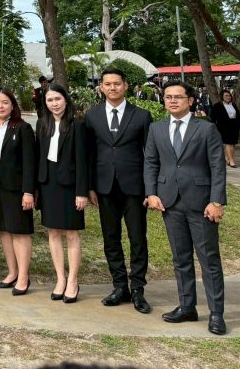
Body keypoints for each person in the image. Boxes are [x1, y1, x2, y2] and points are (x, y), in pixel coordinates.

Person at [145, 80, 228, 335]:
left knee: (209, 259)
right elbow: (151, 162)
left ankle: (216, 314)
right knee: (180, 258)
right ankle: (187, 306)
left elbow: (217, 166)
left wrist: (216, 201)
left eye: (178, 97)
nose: (172, 101)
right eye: (168, 97)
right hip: (169, 202)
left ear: (190, 101)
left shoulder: (206, 129)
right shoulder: (156, 128)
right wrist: (151, 193)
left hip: (202, 203)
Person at [85, 67, 153, 313]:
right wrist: (90, 186)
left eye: (117, 83)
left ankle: (138, 289)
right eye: (107, 84)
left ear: (125, 86)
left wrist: (151, 189)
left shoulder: (142, 116)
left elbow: (150, 156)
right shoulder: (91, 116)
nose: (112, 87)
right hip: (104, 187)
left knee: (137, 238)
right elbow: (89, 154)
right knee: (110, 238)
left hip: (134, 187)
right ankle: (119, 286)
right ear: (101, 87)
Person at [37, 83, 88, 304]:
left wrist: (81, 191)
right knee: (53, 232)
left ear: (65, 100)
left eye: (57, 99)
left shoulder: (77, 125)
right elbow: (38, 156)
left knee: (72, 233)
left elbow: (83, 160)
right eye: (49, 100)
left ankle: (73, 280)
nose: (54, 104)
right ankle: (60, 278)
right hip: (48, 184)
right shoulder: (42, 123)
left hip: (70, 185)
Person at [0, 87, 35, 296]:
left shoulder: (22, 128)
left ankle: (23, 276)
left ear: (12, 106)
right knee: (3, 229)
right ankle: (12, 272)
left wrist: (28, 191)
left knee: (19, 230)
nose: (0, 106)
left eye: (5, 102)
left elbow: (30, 163)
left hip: (16, 187)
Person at [211, 89, 240, 168]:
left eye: (229, 95)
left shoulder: (233, 105)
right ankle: (231, 160)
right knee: (228, 144)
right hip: (223, 127)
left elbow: (238, 116)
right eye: (226, 96)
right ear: (222, 97)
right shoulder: (217, 106)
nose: (228, 97)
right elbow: (213, 118)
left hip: (234, 127)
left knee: (233, 144)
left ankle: (228, 158)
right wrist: (213, 127)